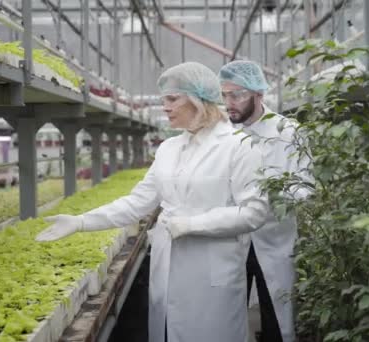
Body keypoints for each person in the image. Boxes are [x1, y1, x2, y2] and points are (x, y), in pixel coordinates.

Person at [36, 62, 269, 342]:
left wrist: (192, 224)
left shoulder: (239, 145)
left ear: (198, 99)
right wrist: (81, 221)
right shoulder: (169, 148)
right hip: (167, 267)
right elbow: (137, 202)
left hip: (211, 275)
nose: (165, 107)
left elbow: (255, 213)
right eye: (162, 100)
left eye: (172, 99)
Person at [219, 60, 312, 342]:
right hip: (231, 239)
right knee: (226, 317)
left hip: (274, 239)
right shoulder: (223, 134)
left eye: (237, 95)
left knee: (275, 315)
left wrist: (265, 197)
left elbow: (306, 188)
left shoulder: (289, 132)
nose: (229, 102)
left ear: (259, 94)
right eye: (224, 95)